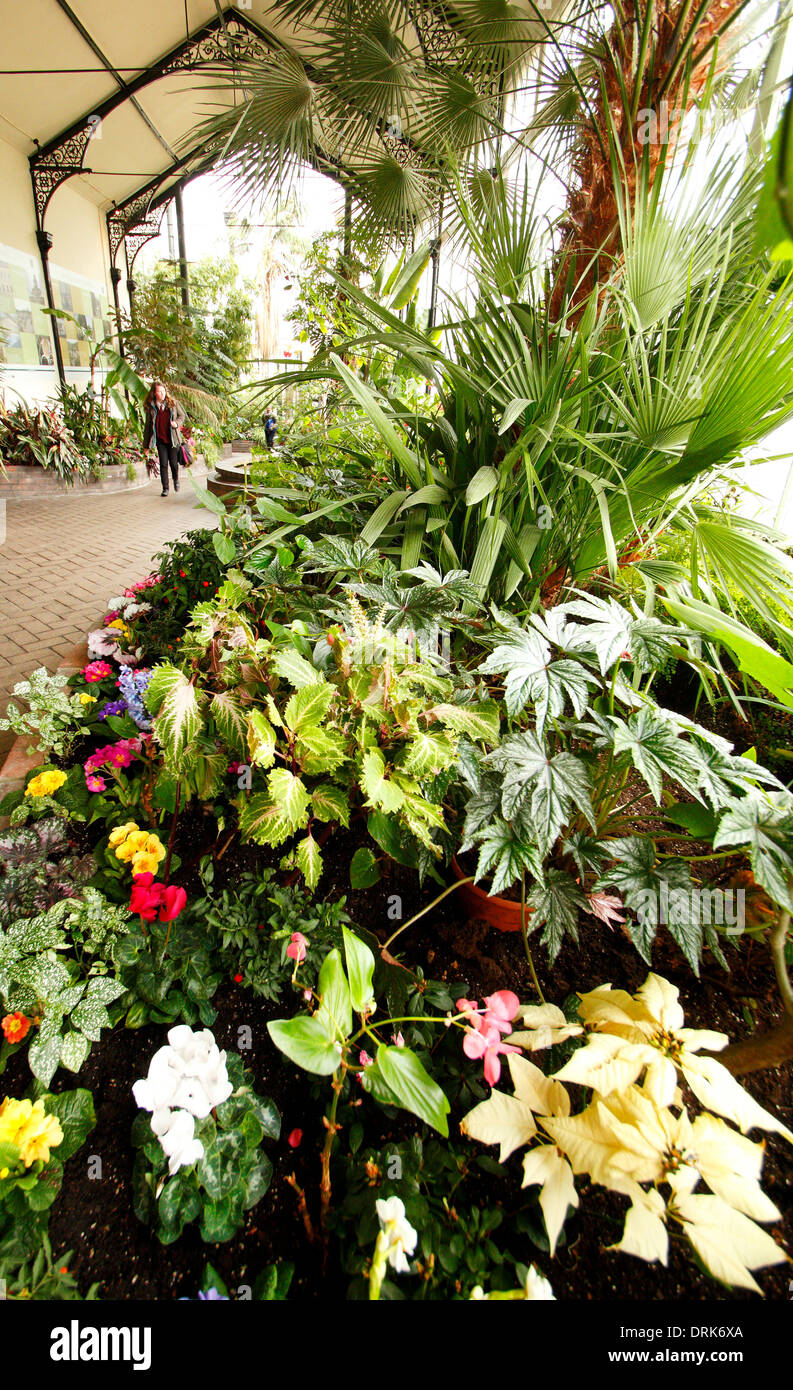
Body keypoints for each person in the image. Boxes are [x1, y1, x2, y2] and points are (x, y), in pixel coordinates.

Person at [143, 381, 186, 496]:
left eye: (163, 391)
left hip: (173, 440)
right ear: (154, 393)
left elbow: (182, 416)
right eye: (159, 391)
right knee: (163, 464)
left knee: (173, 463)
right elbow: (147, 427)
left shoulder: (173, 403)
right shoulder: (151, 407)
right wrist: (146, 446)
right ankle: (165, 488)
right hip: (160, 440)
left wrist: (176, 423)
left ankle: (176, 480)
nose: (162, 394)